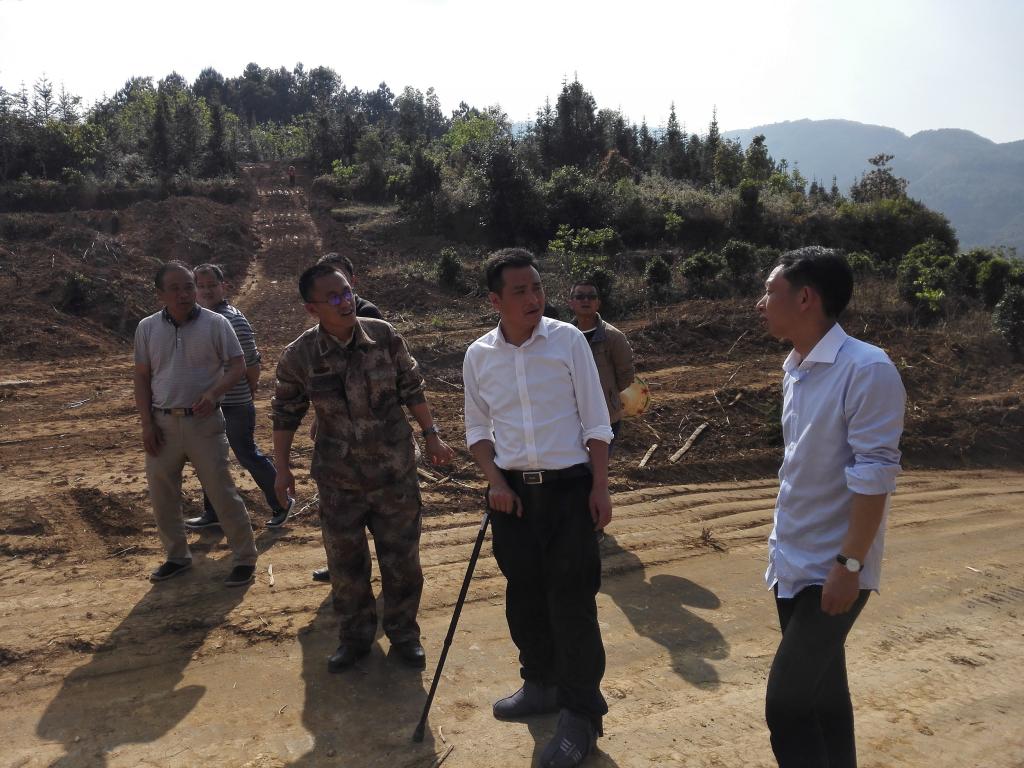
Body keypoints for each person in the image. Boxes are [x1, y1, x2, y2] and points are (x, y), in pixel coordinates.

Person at [462, 249, 613, 768]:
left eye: (537, 287)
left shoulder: (568, 341)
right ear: (495, 301)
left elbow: (596, 420)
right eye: (520, 291)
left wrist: (600, 487)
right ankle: (540, 683)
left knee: (572, 602)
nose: (533, 298)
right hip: (513, 498)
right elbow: (477, 429)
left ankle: (580, 714)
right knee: (524, 596)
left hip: (569, 490)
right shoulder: (479, 355)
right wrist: (495, 484)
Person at [756, 246, 905, 768]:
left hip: (835, 565)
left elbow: (875, 474)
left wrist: (850, 563)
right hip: (792, 561)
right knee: (823, 700)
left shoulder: (866, 369)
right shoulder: (796, 367)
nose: (760, 303)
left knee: (786, 705)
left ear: (805, 298)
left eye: (770, 291)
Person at [271, 262, 455, 672]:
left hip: (394, 475)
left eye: (346, 292)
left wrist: (431, 434)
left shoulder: (384, 336)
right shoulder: (300, 355)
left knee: (402, 562)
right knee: (345, 567)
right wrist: (282, 468)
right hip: (339, 482)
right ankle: (355, 639)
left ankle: (404, 634)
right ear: (312, 308)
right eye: (333, 297)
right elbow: (284, 412)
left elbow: (412, 387)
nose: (345, 302)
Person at [133, 261, 258, 587]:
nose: (184, 294)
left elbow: (238, 365)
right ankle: (177, 556)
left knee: (222, 492)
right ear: (160, 294)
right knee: (162, 496)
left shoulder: (217, 323)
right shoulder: (147, 328)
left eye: (188, 286)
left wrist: (215, 393)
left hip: (204, 423)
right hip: (162, 423)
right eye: (174, 288)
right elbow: (142, 378)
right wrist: (147, 424)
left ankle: (245, 558)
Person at [182, 263, 292, 531]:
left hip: (235, 404)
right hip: (207, 405)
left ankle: (281, 502)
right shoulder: (195, 319)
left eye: (212, 285)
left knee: (246, 453)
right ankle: (214, 512)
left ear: (224, 287)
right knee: (208, 458)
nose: (206, 291)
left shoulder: (233, 319)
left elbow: (250, 362)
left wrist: (249, 390)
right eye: (200, 286)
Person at [309, 252, 384, 583]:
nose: (339, 297)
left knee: (378, 508)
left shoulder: (368, 317)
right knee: (342, 508)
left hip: (371, 431)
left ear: (351, 282)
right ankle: (344, 562)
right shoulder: (324, 322)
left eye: (342, 285)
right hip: (339, 434)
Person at [567, 279, 635, 450]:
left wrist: (607, 394)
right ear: (571, 303)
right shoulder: (563, 337)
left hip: (606, 418)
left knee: (597, 464)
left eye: (591, 296)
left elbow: (626, 375)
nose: (586, 300)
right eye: (580, 296)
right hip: (571, 419)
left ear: (598, 303)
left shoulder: (614, 337)